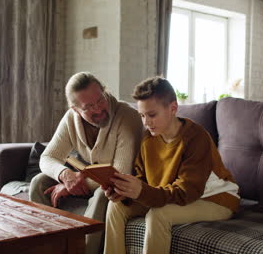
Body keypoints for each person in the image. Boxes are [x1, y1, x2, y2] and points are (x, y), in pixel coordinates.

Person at [103, 77, 240, 254]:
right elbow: (143, 179)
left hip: (215, 200)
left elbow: (187, 191)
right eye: (142, 115)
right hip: (173, 194)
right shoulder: (148, 138)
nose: (146, 122)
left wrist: (142, 191)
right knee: (116, 207)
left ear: (173, 108)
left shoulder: (195, 138)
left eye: (152, 115)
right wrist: (124, 192)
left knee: (158, 215)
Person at [29, 72, 143, 254]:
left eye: (100, 100)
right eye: (89, 107)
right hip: (91, 180)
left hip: (119, 187)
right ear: (75, 109)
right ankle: (49, 248)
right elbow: (47, 157)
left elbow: (120, 174)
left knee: (101, 195)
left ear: (104, 92)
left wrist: (72, 185)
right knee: (38, 183)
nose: (98, 110)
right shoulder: (70, 119)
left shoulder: (127, 117)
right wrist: (65, 176)